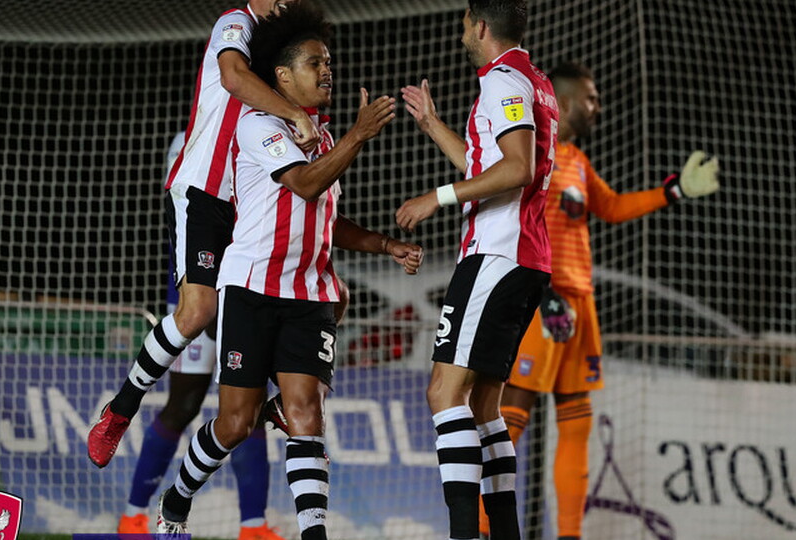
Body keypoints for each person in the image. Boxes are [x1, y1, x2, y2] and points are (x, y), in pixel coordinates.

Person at [156, 3, 424, 538]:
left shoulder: (322, 136)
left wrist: (384, 244)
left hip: (308, 294)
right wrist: (356, 136)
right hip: (252, 290)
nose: (327, 71)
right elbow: (304, 184)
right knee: (236, 424)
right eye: (314, 63)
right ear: (281, 75)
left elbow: (324, 218)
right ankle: (177, 500)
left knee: (306, 416)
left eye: (329, 62)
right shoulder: (258, 124)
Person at [480, 61, 720, 540]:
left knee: (576, 424)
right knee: (511, 421)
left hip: (579, 305)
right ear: (566, 102)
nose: (598, 107)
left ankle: (570, 535)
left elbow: (610, 207)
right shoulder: (533, 151)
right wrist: (541, 290)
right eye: (591, 98)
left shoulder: (576, 160)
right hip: (541, 301)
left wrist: (673, 191)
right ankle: (484, 531)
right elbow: (517, 222)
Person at [87, 0, 323, 469]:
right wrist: (296, 115)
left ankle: (282, 401)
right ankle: (121, 409)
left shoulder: (278, 47)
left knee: (319, 292)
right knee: (197, 311)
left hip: (249, 204)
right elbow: (233, 77)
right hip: (205, 191)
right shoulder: (236, 22)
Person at [396, 1, 558, 539]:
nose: (462, 30)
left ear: (481, 26)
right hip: (525, 258)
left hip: (497, 254)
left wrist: (436, 197)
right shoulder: (534, 81)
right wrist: (432, 124)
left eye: (466, 21)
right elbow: (485, 165)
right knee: (486, 406)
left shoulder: (502, 81)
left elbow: (517, 169)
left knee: (444, 394)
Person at [117, 133, 285, 540]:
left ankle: (253, 525)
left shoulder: (257, 133)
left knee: (247, 406)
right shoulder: (193, 142)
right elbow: (188, 221)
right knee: (183, 404)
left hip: (241, 293)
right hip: (194, 297)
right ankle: (133, 517)